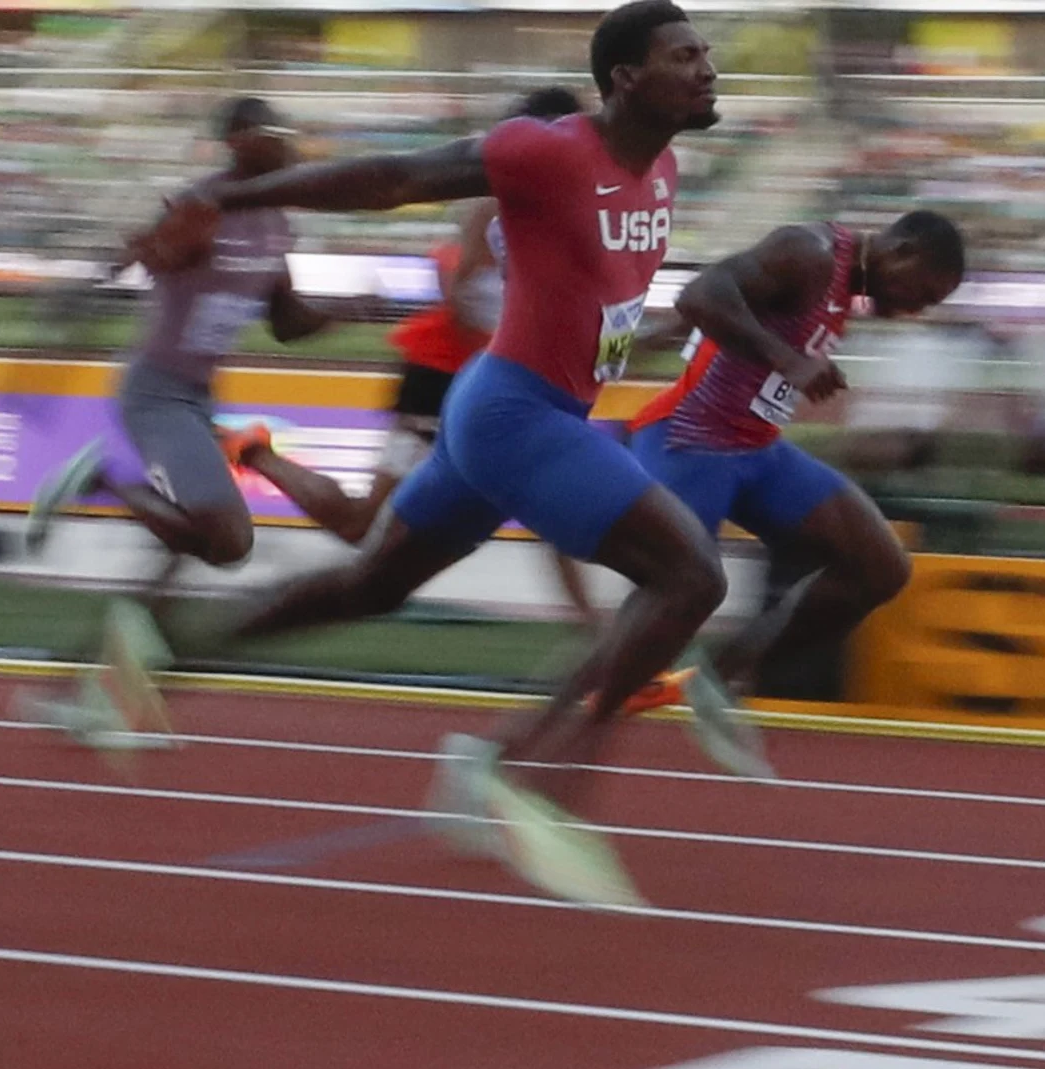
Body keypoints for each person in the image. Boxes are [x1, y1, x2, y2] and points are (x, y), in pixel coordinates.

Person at [134, 1, 747, 906]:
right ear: (626, 77)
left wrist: (661, 332)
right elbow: (393, 177)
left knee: (371, 582)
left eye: (706, 53)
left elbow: (600, 310)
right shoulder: (551, 150)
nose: (707, 69)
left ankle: (175, 654)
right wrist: (230, 195)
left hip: (515, 413)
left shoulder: (663, 171)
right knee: (692, 576)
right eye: (684, 55)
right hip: (515, 416)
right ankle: (538, 781)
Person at [222, 85, 688, 714]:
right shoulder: (496, 206)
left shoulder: (592, 197)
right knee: (365, 527)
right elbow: (458, 291)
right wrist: (523, 339)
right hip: (449, 376)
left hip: (504, 391)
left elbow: (596, 308)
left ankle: (603, 660)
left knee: (395, 572)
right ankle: (254, 453)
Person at [18, 97, 334, 738]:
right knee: (226, 541)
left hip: (198, 398)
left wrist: (354, 309)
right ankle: (100, 479)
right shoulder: (204, 203)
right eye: (277, 134)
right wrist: (89, 289)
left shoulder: (275, 221)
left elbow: (287, 321)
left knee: (171, 563)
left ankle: (85, 693)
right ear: (241, 141)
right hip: (157, 392)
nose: (290, 144)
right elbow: (149, 254)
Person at [624, 211, 963, 708]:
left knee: (883, 567)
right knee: (674, 602)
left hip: (756, 449)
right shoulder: (810, 251)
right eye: (924, 293)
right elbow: (698, 296)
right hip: (691, 438)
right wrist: (790, 360)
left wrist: (647, 344)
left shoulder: (845, 283)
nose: (917, 309)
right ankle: (573, 719)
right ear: (902, 251)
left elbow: (712, 315)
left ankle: (716, 677)